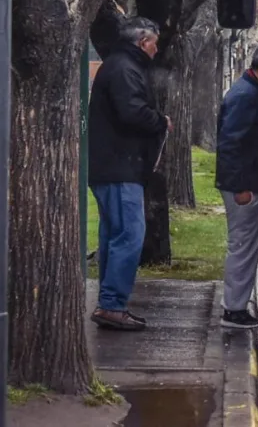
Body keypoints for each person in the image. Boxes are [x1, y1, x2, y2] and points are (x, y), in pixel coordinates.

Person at [88, 17, 171, 331]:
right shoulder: (125, 68)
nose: (156, 48)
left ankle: (109, 302)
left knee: (114, 235)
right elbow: (132, 112)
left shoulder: (117, 64)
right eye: (154, 42)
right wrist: (160, 121)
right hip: (120, 167)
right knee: (129, 236)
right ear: (142, 41)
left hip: (111, 166)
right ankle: (112, 305)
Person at [217, 41, 258, 329]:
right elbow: (231, 145)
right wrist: (240, 187)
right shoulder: (245, 97)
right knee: (243, 245)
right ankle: (234, 310)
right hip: (248, 186)